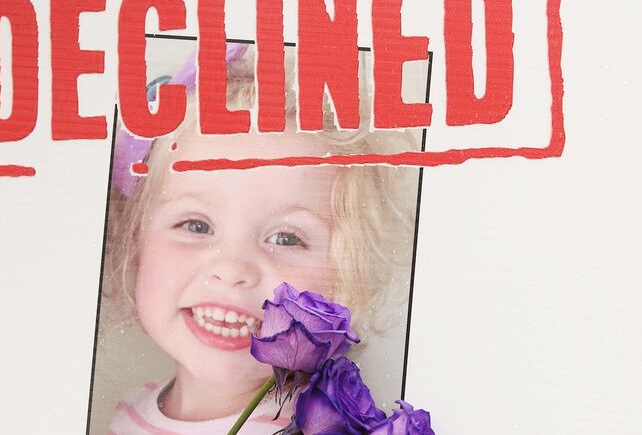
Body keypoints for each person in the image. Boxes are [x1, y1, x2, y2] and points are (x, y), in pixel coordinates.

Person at [101, 44, 421, 434]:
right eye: (196, 226)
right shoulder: (127, 411)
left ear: (348, 271)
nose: (232, 269)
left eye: (286, 237)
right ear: (135, 245)